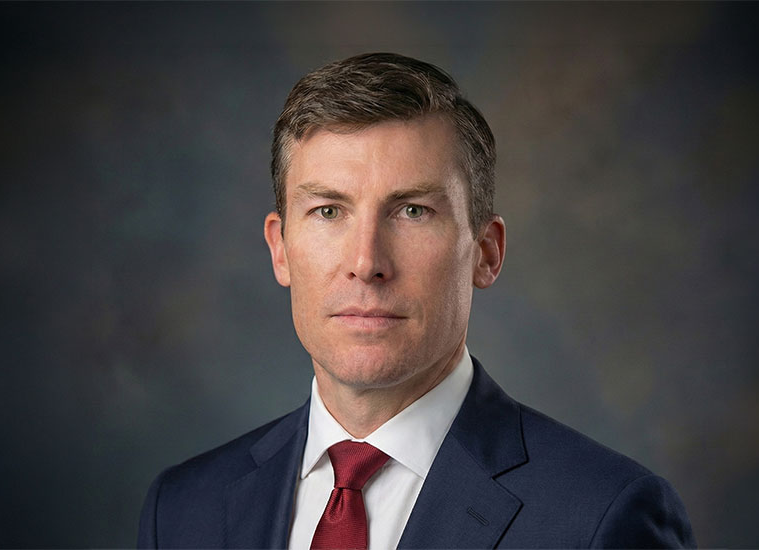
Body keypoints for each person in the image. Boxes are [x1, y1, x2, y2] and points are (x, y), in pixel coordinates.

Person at [137, 52, 696, 549]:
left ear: (486, 253)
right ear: (280, 250)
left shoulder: (602, 518)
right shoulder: (182, 510)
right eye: (328, 211)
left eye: (412, 211)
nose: (366, 261)